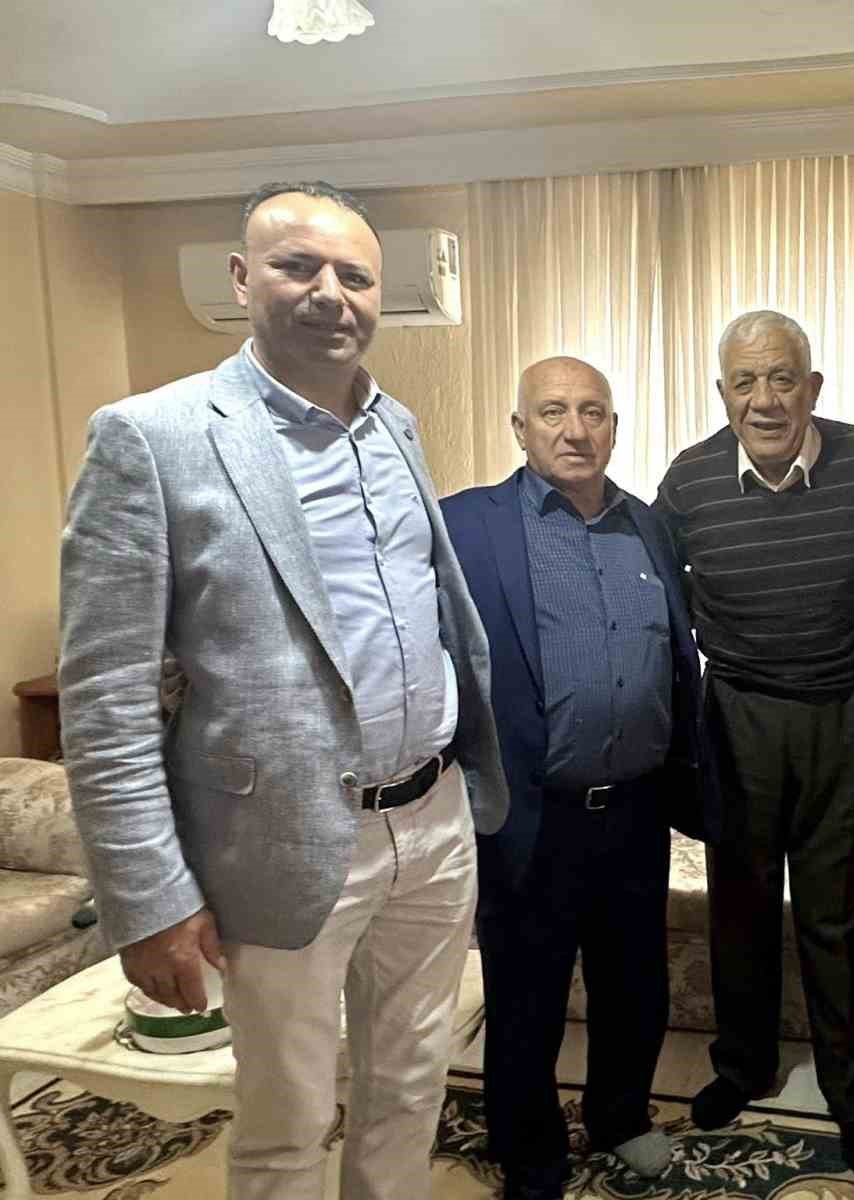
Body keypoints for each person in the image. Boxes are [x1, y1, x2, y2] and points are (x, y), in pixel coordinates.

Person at [57, 180, 508, 1200]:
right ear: (241, 278)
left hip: (432, 821)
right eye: (297, 267)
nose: (329, 294)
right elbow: (104, 699)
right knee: (286, 1121)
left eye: (355, 275)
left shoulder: (395, 427)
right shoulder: (151, 437)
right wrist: (149, 900)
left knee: (412, 1088)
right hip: (283, 841)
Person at [440, 356, 717, 1200]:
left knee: (634, 985)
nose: (574, 429)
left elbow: (677, 657)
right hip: (530, 812)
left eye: (592, 411)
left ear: (614, 428)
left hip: (635, 809)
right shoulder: (466, 526)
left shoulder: (650, 528)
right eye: (553, 411)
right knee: (526, 994)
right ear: (519, 428)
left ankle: (621, 1117)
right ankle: (530, 1151)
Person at [653, 310, 854, 1175]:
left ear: (813, 387)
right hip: (740, 717)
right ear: (722, 393)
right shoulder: (688, 480)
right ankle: (742, 1067)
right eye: (745, 382)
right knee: (742, 907)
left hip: (846, 715)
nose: (765, 399)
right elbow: (662, 598)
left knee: (845, 917)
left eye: (782, 378)